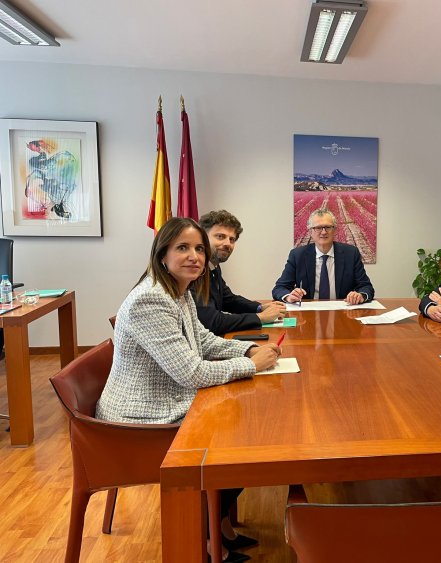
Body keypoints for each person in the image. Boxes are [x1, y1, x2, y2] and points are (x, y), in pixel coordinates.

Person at [96, 217, 280, 562]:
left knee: (245, 429)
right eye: (183, 247)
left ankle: (218, 526)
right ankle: (210, 543)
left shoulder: (178, 291)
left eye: (198, 248)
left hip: (164, 400)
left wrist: (247, 350)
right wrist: (251, 366)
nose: (194, 255)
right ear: (162, 253)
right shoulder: (150, 299)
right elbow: (191, 372)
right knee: (243, 442)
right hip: (138, 422)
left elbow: (204, 341)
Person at [196, 210, 286, 335]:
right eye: (220, 236)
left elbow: (229, 300)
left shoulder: (213, 267)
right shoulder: (194, 272)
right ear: (202, 237)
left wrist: (260, 307)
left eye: (232, 239)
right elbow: (212, 322)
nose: (227, 243)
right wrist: (261, 317)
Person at [272, 208, 375, 305]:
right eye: (318, 228)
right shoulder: (297, 255)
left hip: (343, 311)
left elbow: (366, 287)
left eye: (328, 227)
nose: (324, 232)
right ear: (310, 232)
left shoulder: (351, 254)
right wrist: (289, 296)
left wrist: (360, 295)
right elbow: (280, 288)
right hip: (308, 314)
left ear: (335, 230)